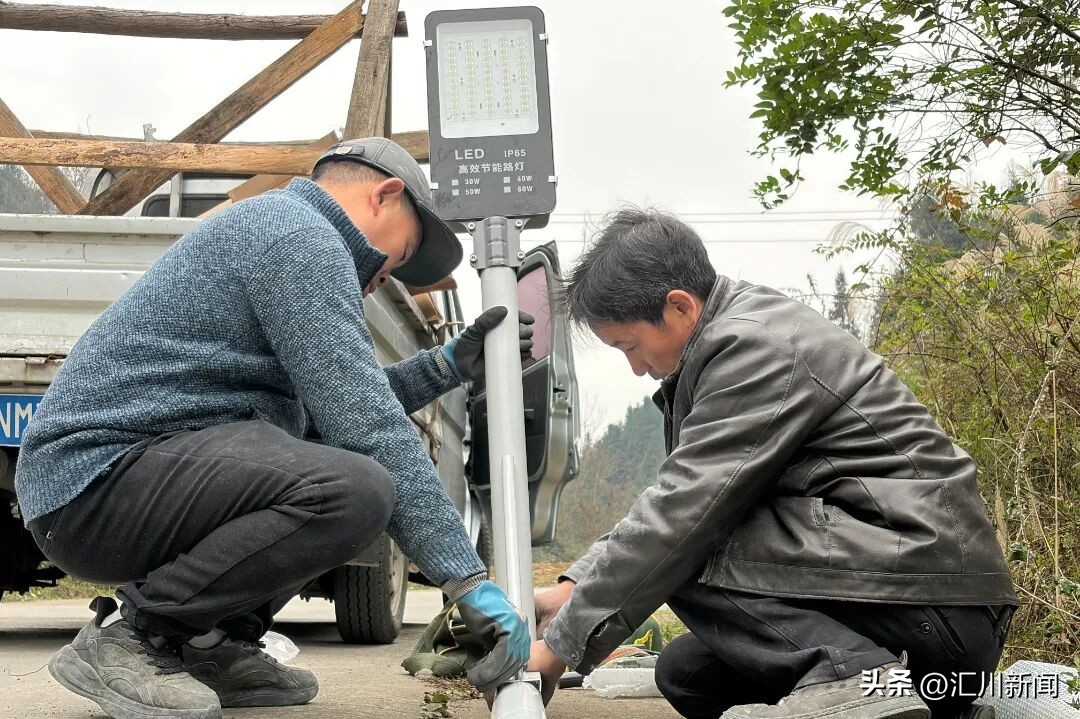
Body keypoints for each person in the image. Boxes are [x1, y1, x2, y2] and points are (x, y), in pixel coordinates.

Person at [15, 137, 532, 719]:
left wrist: (443, 367)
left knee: (326, 469)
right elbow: (364, 421)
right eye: (400, 254)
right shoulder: (299, 236)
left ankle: (207, 644)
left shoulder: (288, 228)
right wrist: (465, 580)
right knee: (354, 489)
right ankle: (136, 637)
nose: (387, 277)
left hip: (119, 483)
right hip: (93, 484)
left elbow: (335, 408)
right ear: (384, 196)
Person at [528, 208, 1017, 719]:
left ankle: (850, 681)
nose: (635, 367)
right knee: (686, 674)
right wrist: (570, 590)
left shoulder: (755, 347)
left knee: (685, 548)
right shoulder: (733, 339)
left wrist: (558, 649)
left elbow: (679, 518)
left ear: (679, 306)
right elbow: (676, 503)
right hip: (904, 605)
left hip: (934, 609)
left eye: (629, 345)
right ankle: (929, 708)